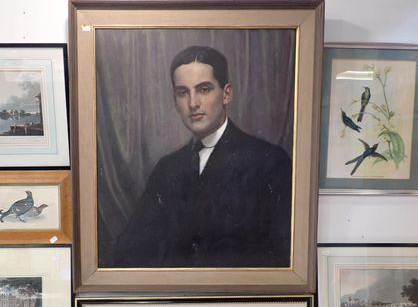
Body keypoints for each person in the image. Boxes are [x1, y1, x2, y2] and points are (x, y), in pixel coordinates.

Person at [114, 45, 292, 268]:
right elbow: (130, 250)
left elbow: (282, 257)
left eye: (204, 89)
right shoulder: (167, 168)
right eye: (182, 92)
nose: (192, 103)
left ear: (226, 93)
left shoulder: (269, 161)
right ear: (174, 99)